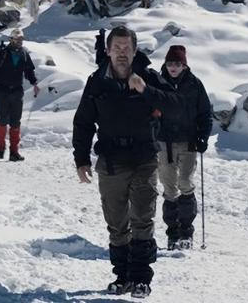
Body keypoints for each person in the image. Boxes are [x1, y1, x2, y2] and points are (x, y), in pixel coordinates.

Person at [73, 26, 182, 298]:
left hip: (143, 158)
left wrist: (147, 91)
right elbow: (84, 122)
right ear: (108, 50)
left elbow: (175, 106)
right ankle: (122, 276)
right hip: (110, 160)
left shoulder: (149, 77)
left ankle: (141, 278)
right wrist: (81, 158)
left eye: (127, 48)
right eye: (117, 47)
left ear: (135, 51)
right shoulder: (97, 81)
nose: (122, 53)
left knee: (142, 218)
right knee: (116, 222)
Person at [157, 45, 213, 250]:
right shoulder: (158, 82)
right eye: (170, 63)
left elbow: (205, 113)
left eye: (177, 64)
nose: (173, 67)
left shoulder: (194, 84)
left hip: (188, 142)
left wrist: (203, 137)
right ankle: (173, 233)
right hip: (164, 143)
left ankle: (187, 232)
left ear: (184, 65)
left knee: (185, 182)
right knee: (169, 187)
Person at [0, 28, 40, 161]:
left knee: (16, 122)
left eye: (22, 39)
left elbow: (29, 71)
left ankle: (14, 152)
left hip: (17, 90)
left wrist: (34, 84)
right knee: (3, 119)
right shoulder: (2, 53)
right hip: (2, 90)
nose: (20, 42)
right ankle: (0, 148)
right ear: (11, 40)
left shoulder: (24, 53)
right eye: (18, 39)